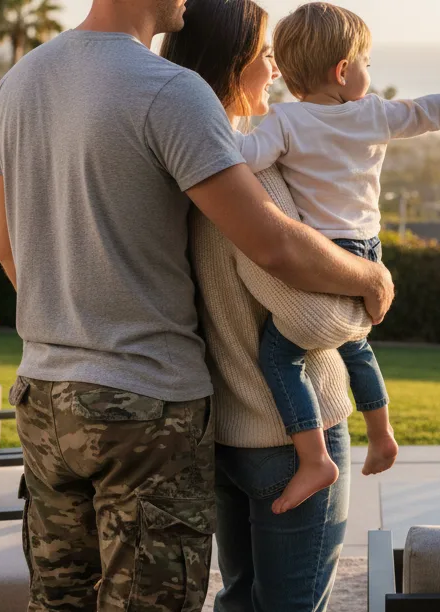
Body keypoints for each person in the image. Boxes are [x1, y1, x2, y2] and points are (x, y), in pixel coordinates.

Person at [0, 0, 393, 609]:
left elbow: (8, 251)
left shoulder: (17, 82)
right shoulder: (171, 92)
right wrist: (372, 278)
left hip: (43, 396)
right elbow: (275, 246)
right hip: (145, 405)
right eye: (265, 57)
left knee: (58, 601)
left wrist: (74, 317)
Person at [235, 1, 440, 514]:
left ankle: (314, 457)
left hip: (324, 255)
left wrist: (210, 133)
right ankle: (382, 433)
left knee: (281, 354)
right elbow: (427, 111)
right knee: (354, 341)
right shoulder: (374, 114)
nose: (370, 72)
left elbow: (246, 159)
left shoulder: (284, 120)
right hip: (368, 250)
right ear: (344, 71)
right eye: (368, 62)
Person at [160, 1, 374, 609]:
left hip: (226, 430)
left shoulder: (181, 166)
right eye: (265, 57)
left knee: (240, 599)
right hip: (290, 436)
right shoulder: (252, 181)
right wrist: (372, 290)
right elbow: (308, 318)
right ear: (233, 67)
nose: (276, 70)